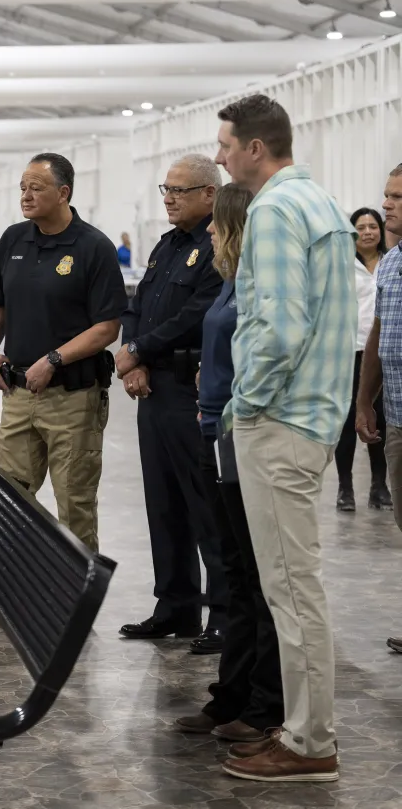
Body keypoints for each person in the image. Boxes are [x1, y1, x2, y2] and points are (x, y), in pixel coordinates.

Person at [215, 94, 354, 783]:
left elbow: (278, 327)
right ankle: (304, 727)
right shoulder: (321, 202)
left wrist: (247, 404)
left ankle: (308, 742)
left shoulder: (271, 209)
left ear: (255, 148)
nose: (220, 155)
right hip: (314, 416)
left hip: (281, 420)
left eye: (226, 144)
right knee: (299, 586)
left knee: (292, 590)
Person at [0, 154, 126, 625]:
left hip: (72, 398)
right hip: (18, 395)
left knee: (73, 500)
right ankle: (7, 592)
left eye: (37, 186)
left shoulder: (93, 247)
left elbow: (107, 327)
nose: (26, 194)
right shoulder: (13, 240)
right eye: (23, 185)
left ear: (64, 193)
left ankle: (72, 602)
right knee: (9, 497)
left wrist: (54, 359)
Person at [173, 183, 285, 745]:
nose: (210, 231)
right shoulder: (227, 284)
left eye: (218, 223)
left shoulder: (253, 290)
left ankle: (266, 705)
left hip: (241, 437)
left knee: (256, 578)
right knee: (235, 572)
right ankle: (230, 697)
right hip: (214, 433)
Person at [117, 155, 227, 653]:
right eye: (166, 188)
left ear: (210, 194)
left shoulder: (217, 246)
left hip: (191, 392)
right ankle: (175, 606)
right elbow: (136, 307)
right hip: (154, 388)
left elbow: (196, 314)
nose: (169, 197)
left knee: (205, 505)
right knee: (163, 503)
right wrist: (135, 358)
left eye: (180, 190)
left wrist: (139, 349)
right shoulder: (166, 247)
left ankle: (223, 615)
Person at [354, 164, 402, 655]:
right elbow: (378, 334)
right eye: (386, 195)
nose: (385, 205)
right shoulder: (389, 263)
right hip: (397, 414)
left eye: (397, 197)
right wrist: (365, 399)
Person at [336, 207, 389, 512]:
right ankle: (345, 488)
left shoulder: (391, 262)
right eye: (362, 227)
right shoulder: (342, 266)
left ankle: (379, 486)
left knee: (380, 419)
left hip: (382, 353)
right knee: (346, 423)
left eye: (373, 226)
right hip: (350, 352)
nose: (368, 231)